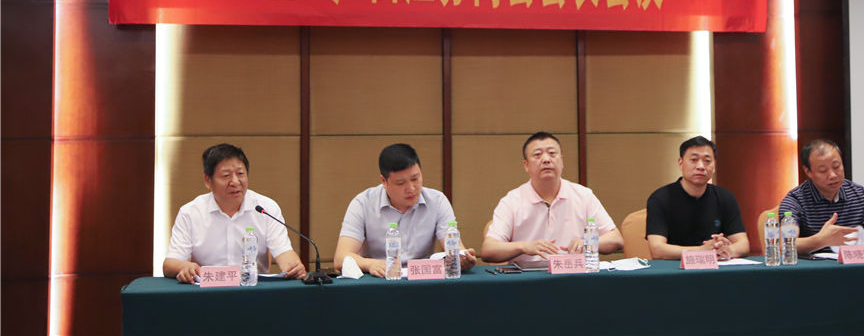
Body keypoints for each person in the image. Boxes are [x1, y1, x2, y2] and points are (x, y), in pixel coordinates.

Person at [163, 143, 307, 283]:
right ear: (208, 180)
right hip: (207, 292)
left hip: (253, 291)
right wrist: (185, 267)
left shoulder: (266, 208)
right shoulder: (190, 212)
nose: (235, 182)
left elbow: (284, 252)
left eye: (240, 174)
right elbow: (170, 264)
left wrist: (293, 267)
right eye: (226, 176)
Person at [333, 143, 476, 276]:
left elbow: (455, 249)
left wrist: (462, 258)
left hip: (423, 281)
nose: (411, 188)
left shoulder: (437, 201)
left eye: (415, 179)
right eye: (400, 183)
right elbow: (341, 258)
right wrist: (371, 264)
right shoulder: (363, 203)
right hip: (380, 280)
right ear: (384, 181)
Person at [481, 131, 624, 264]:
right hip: (528, 278)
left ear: (562, 161)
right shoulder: (512, 201)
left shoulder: (583, 195)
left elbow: (616, 239)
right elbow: (488, 250)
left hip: (574, 275)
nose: (546, 159)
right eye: (537, 155)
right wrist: (524, 246)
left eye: (552, 153)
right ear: (526, 165)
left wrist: (588, 243)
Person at [645, 136, 749, 260]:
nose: (701, 166)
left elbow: (743, 244)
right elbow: (657, 250)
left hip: (715, 267)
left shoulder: (725, 197)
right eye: (694, 160)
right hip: (674, 268)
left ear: (714, 166)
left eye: (707, 161)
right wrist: (701, 251)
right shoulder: (660, 199)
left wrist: (726, 250)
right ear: (680, 163)